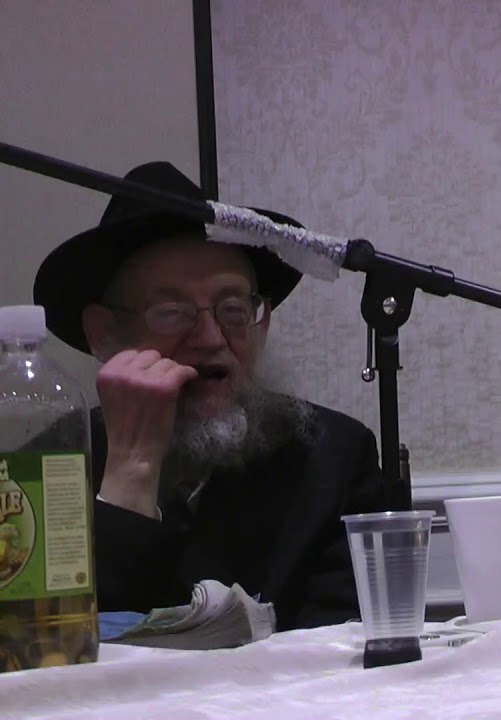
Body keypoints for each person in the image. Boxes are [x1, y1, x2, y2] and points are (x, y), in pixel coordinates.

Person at [31, 161, 385, 630]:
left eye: (233, 309)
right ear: (104, 333)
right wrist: (130, 474)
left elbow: (346, 651)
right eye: (171, 312)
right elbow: (58, 648)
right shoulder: (47, 467)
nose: (211, 338)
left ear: (262, 322)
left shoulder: (334, 459)